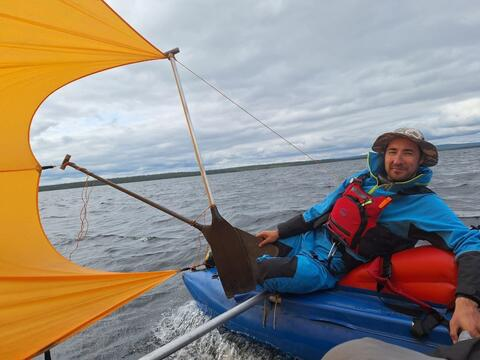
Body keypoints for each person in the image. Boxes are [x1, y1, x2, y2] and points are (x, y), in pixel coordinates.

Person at [256, 128, 480, 342]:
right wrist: (280, 232)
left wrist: (467, 300)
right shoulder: (362, 178)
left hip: (325, 268)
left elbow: (468, 240)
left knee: (260, 270)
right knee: (252, 248)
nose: (398, 160)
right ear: (383, 154)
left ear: (420, 160)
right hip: (308, 239)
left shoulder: (424, 203)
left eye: (408, 153)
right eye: (393, 151)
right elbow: (320, 210)